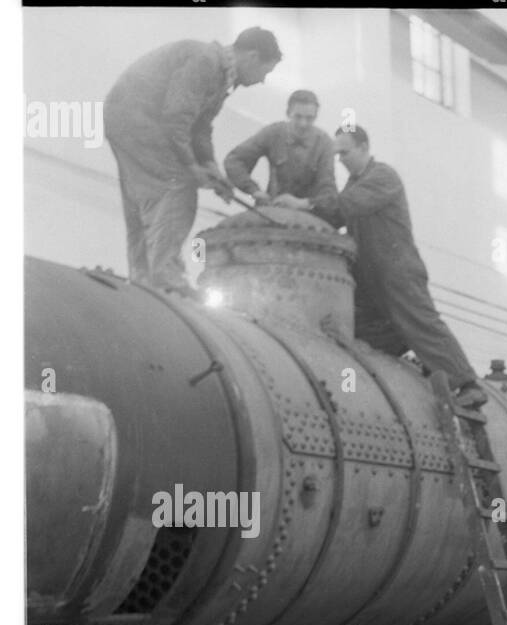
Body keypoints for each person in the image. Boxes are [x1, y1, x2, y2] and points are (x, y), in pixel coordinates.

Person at [303, 126, 487, 409]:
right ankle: (397, 360)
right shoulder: (353, 185)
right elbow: (336, 214)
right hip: (367, 278)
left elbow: (346, 206)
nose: (340, 159)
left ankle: (467, 383)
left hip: (397, 269)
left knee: (420, 321)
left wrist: (305, 203)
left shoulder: (382, 177)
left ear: (364, 148)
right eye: (337, 154)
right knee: (354, 329)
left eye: (345, 152)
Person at [104, 28, 282, 296]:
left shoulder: (220, 74)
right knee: (180, 188)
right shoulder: (206, 62)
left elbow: (200, 128)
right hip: (139, 120)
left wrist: (211, 168)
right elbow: (176, 118)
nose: (262, 81)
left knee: (143, 200)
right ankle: (167, 277)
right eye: (265, 73)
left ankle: (141, 278)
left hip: (128, 121)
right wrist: (192, 169)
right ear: (253, 56)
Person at [223, 89, 336, 212]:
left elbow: (328, 190)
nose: (303, 124)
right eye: (298, 116)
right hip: (270, 209)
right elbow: (234, 160)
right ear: (288, 113)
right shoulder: (274, 132)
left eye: (309, 118)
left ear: (316, 117)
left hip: (307, 215)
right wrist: (254, 191)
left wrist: (301, 203)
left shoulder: (325, 143)